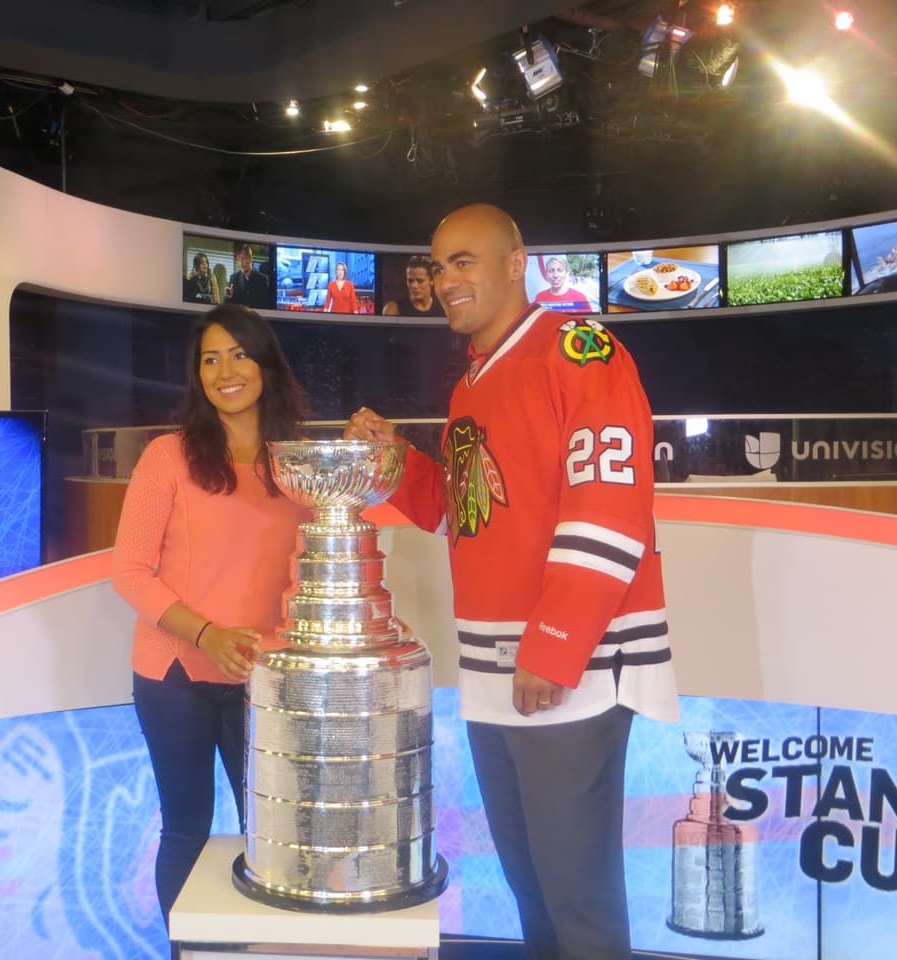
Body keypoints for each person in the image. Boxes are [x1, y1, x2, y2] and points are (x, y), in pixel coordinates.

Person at [345, 204, 678, 960]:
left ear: (515, 261)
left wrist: (555, 644)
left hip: (570, 669)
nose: (445, 280)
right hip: (495, 671)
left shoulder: (578, 350)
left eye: (464, 260)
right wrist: (394, 457)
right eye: (436, 266)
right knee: (535, 893)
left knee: (578, 900)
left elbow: (612, 505)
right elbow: (459, 516)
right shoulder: (472, 385)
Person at [111, 303, 309, 932]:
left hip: (268, 679)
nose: (225, 370)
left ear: (266, 364)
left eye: (239, 354)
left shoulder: (300, 465)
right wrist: (207, 634)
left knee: (275, 838)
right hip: (174, 676)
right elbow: (129, 572)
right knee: (186, 832)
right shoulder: (167, 457)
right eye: (210, 359)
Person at [225, 243, 273, 309]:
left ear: (250, 259)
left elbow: (267, 304)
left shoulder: (262, 279)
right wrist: (229, 295)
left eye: (244, 258)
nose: (241, 262)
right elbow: (227, 306)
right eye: (239, 259)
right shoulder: (233, 278)